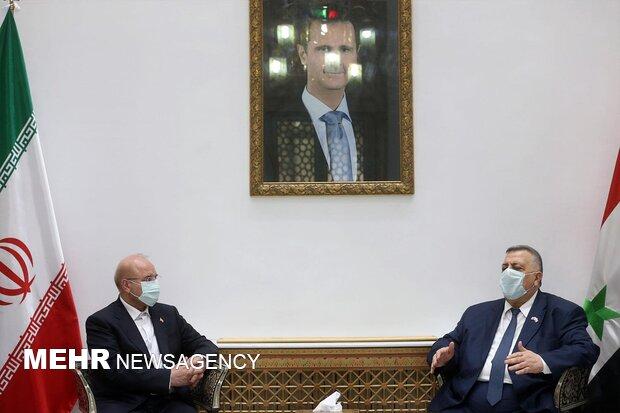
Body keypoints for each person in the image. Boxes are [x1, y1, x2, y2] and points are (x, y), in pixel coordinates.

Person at [427, 245, 599, 413]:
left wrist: (542, 361)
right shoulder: (477, 313)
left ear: (537, 278)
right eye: (505, 268)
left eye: (516, 268)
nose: (508, 273)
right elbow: (448, 342)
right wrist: (443, 355)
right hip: (464, 400)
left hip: (526, 403)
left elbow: (585, 349)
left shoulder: (562, 312)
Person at [263, 4, 390, 182]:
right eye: (324, 49)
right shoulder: (273, 122)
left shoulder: (376, 118)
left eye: (345, 49)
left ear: (357, 54)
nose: (335, 61)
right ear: (303, 55)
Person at [85, 254, 218, 413]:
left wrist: (197, 362)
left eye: (155, 278)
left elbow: (205, 345)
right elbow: (112, 370)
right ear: (126, 285)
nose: (155, 284)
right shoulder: (101, 321)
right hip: (126, 402)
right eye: (148, 279)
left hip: (168, 400)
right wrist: (169, 377)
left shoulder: (168, 313)